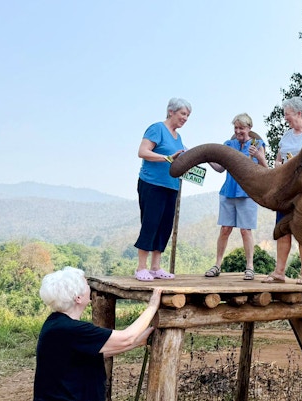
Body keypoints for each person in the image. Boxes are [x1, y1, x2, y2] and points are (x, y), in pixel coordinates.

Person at [33, 266, 162, 401]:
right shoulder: (73, 330)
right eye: (86, 284)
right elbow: (126, 337)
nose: (89, 287)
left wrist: (137, 342)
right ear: (78, 298)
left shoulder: (54, 323)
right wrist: (152, 306)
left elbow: (90, 352)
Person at [262, 97, 302, 285]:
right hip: (286, 190)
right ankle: (279, 272)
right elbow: (278, 161)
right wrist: (279, 166)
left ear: (298, 113)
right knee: (282, 228)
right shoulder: (286, 137)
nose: (285, 118)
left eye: (287, 114)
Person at [134, 98, 192, 281]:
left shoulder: (179, 137)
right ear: (171, 112)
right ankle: (141, 268)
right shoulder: (157, 128)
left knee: (164, 225)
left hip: (171, 185)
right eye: (183, 114)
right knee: (151, 222)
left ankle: (155, 267)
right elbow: (143, 152)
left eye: (188, 115)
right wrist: (167, 158)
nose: (185, 118)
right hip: (152, 184)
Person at [204, 113, 268, 280]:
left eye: (242, 127)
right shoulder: (228, 145)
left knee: (245, 231)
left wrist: (259, 156)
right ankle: (217, 265)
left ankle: (249, 267)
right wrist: (207, 157)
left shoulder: (258, 144)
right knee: (225, 229)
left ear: (249, 128)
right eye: (236, 127)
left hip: (247, 194)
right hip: (228, 192)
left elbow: (266, 169)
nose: (239, 130)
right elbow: (220, 168)